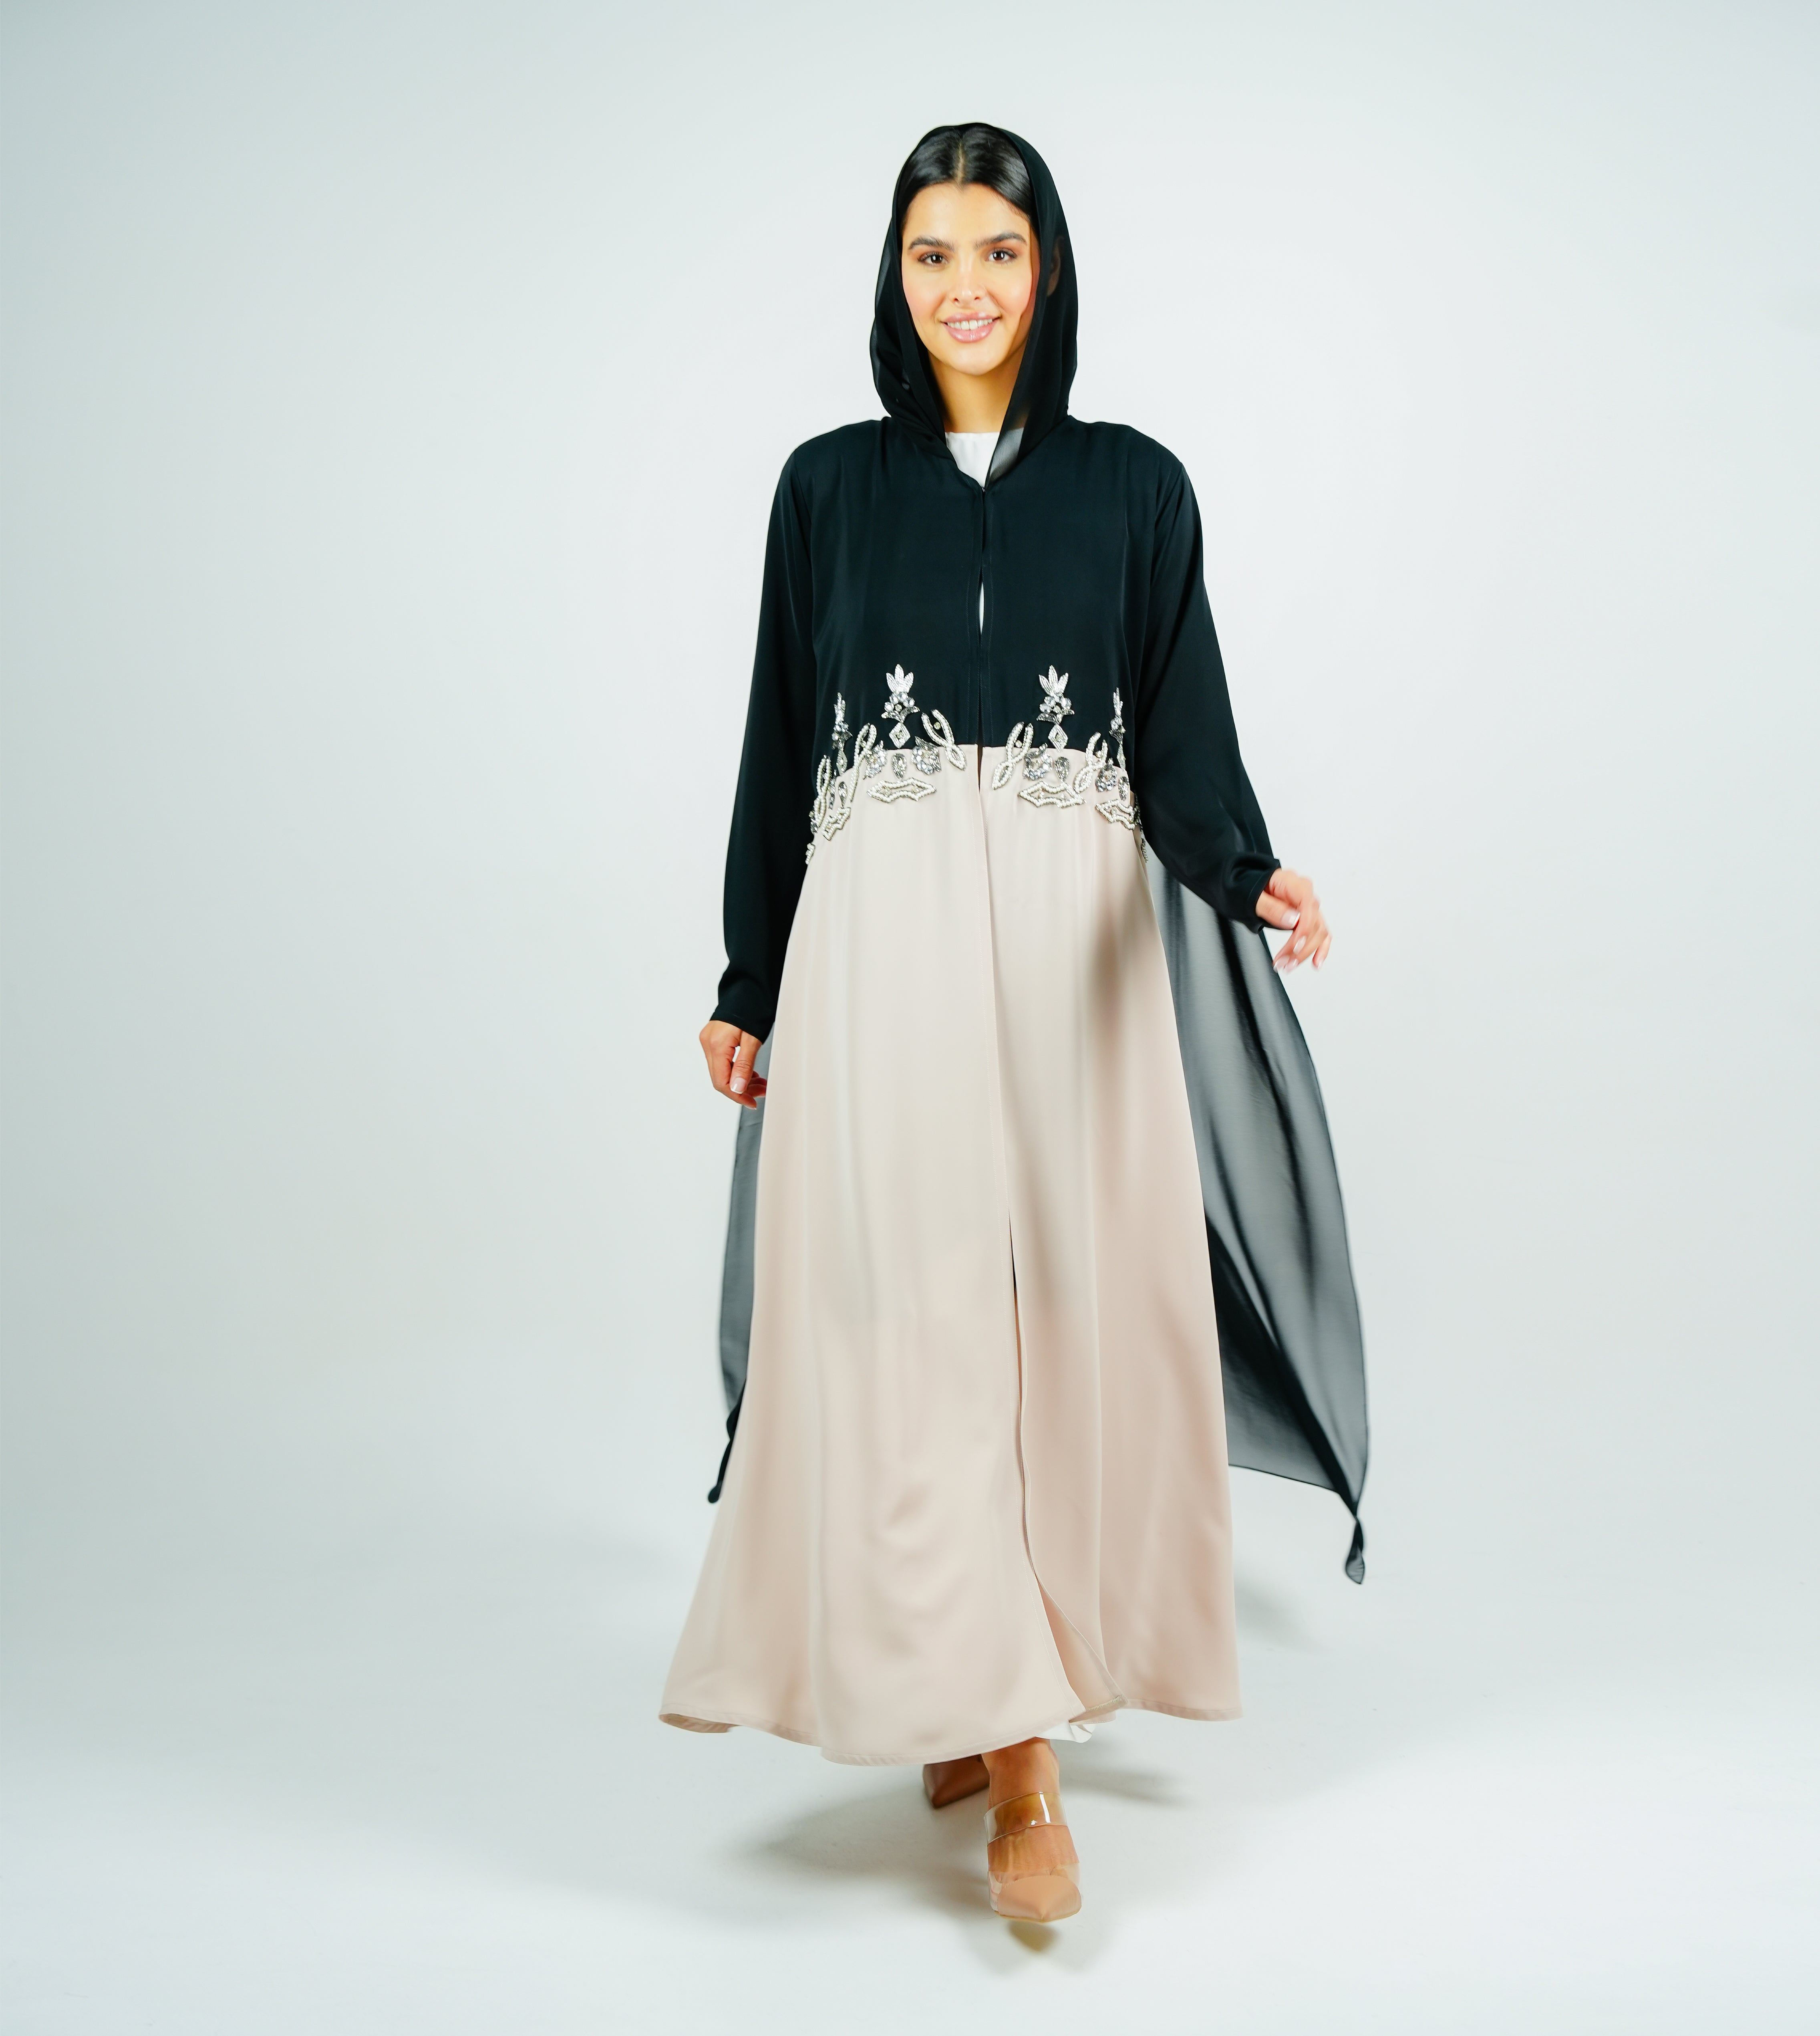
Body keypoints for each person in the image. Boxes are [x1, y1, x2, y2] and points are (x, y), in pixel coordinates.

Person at [660, 123, 1367, 1924]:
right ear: (892, 277)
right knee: (913, 1311)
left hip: (1074, 952)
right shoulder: (827, 489)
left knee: (1057, 1309)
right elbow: (778, 745)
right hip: (877, 949)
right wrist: (749, 980)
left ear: (1045, 271)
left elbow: (1179, 725)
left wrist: (1249, 869)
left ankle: (1003, 1698)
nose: (962, 286)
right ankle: (1004, 1734)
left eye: (996, 249)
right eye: (930, 254)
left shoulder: (1134, 486)